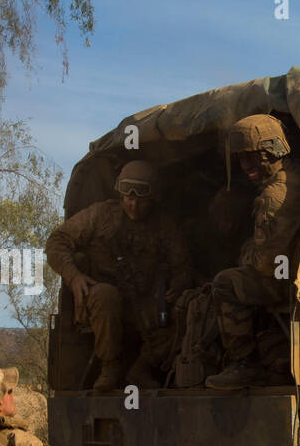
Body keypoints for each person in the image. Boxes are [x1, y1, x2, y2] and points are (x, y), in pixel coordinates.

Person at [180, 114, 300, 390]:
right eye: (241, 158)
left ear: (273, 151)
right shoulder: (297, 173)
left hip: (288, 283)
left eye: (253, 157)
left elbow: (265, 264)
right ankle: (275, 359)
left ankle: (244, 363)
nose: (246, 166)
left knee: (226, 284)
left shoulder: (274, 196)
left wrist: (244, 254)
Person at [45, 161, 193, 391]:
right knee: (106, 295)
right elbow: (56, 242)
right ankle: (110, 366)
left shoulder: (163, 225)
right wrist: (74, 277)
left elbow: (182, 263)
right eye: (128, 198)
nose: (133, 205)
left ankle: (142, 368)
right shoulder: (100, 215)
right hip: (102, 301)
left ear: (152, 197)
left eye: (141, 200)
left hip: (143, 302)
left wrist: (178, 285)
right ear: (120, 194)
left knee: (186, 309)